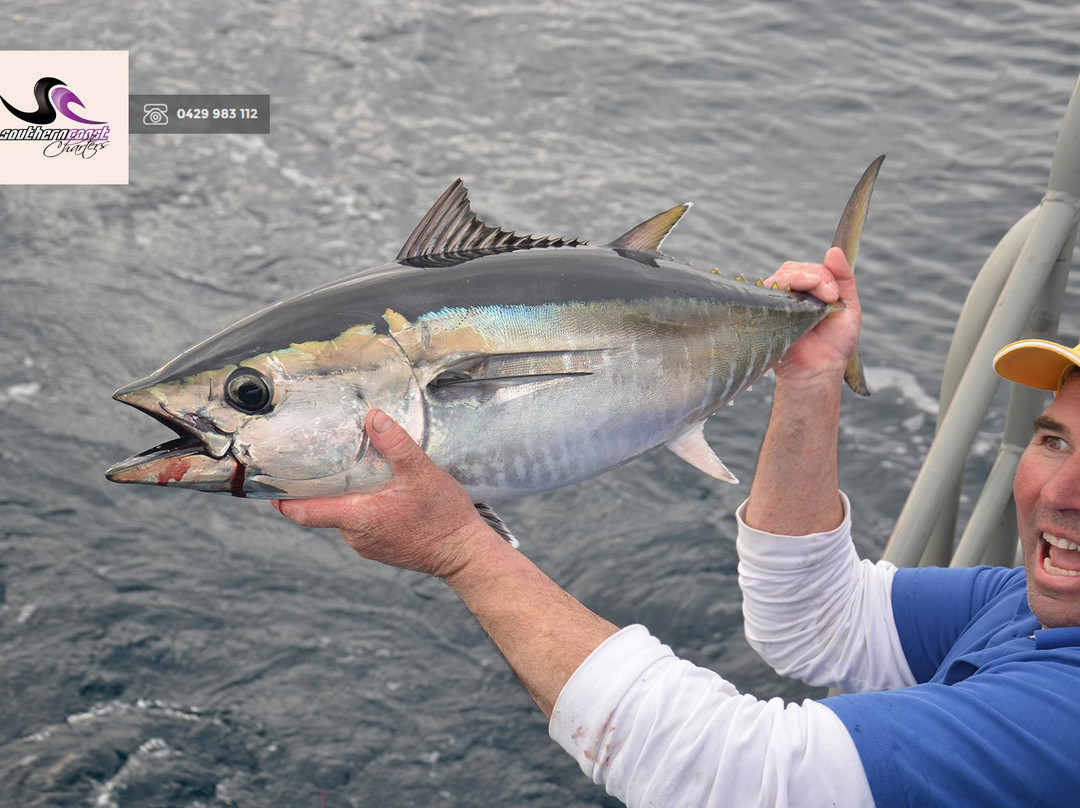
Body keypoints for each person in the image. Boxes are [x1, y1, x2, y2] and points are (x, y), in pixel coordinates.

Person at [274, 246, 1080, 807]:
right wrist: (811, 379)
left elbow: (751, 783)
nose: (1064, 493)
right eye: (1055, 440)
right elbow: (816, 622)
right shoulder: (1024, 606)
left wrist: (460, 548)